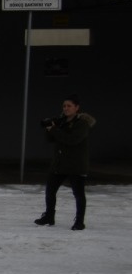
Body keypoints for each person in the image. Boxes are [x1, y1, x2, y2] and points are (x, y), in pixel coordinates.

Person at [36, 96, 95, 230]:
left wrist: (54, 130)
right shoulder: (61, 121)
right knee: (50, 190)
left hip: (76, 164)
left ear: (77, 108)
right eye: (64, 106)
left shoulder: (82, 123)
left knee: (78, 194)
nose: (66, 108)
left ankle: (79, 221)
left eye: (69, 106)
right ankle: (49, 216)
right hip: (59, 163)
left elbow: (72, 140)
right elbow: (51, 139)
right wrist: (49, 128)